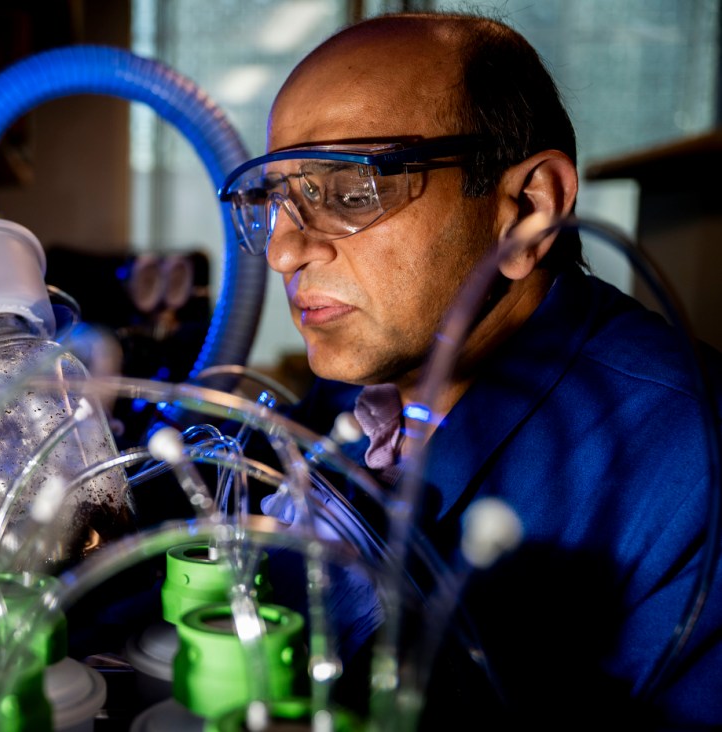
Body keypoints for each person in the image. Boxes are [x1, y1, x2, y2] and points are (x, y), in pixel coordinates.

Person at [216, 10, 722, 731]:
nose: (284, 251)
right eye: (275, 200)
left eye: (351, 190)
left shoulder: (692, 472)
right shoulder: (355, 394)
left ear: (529, 209)